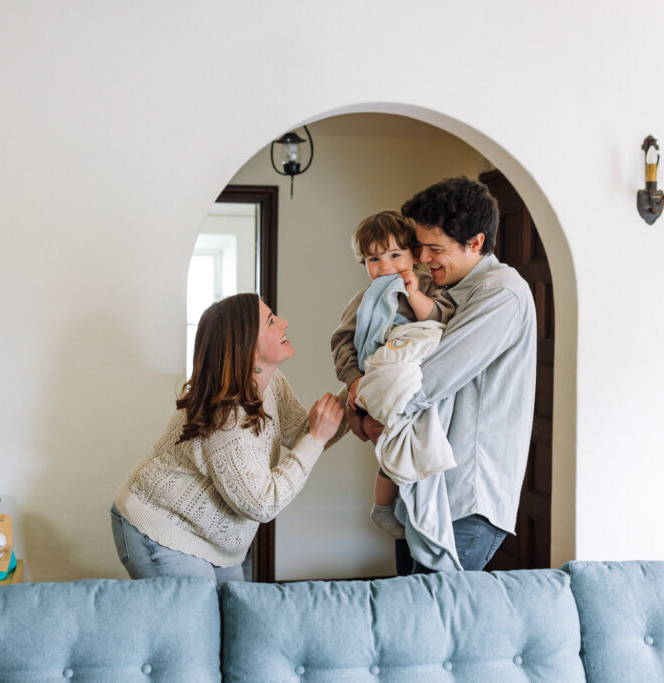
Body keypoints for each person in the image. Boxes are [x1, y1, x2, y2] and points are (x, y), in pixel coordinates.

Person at [353, 177, 537, 574]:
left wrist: (365, 413)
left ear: (475, 242)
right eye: (420, 246)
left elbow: (429, 378)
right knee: (412, 616)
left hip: (464, 497)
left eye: (435, 249)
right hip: (421, 486)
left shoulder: (501, 294)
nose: (423, 257)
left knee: (434, 626)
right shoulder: (447, 290)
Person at [112, 292, 345, 585]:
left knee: (231, 620)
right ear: (246, 347)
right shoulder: (226, 421)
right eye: (271, 321)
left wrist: (362, 387)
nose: (284, 323)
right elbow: (263, 502)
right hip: (160, 528)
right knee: (195, 629)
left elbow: (306, 432)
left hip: (215, 541)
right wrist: (316, 437)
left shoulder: (271, 384)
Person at [330, 211, 454, 540]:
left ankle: (403, 505)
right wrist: (355, 381)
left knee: (409, 440)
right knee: (387, 438)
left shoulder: (428, 287)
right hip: (375, 380)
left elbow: (440, 317)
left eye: (396, 255)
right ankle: (383, 507)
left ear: (415, 254)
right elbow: (342, 343)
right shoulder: (362, 302)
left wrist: (413, 293)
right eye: (374, 259)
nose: (386, 267)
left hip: (413, 378)